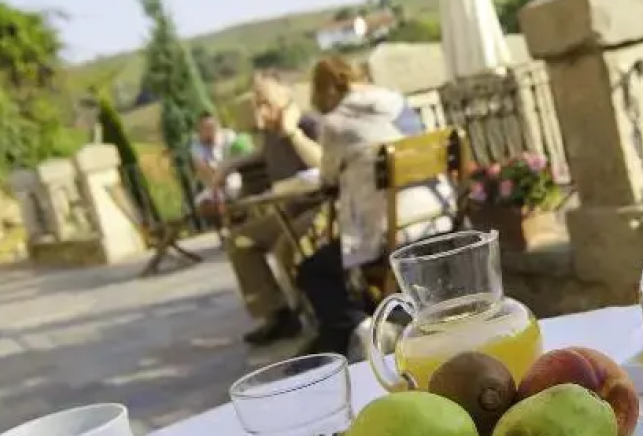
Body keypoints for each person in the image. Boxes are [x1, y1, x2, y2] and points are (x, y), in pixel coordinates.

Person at [294, 56, 452, 356]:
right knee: (336, 261)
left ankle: (362, 328)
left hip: (393, 231)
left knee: (313, 271)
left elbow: (327, 177)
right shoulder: (397, 102)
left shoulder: (335, 123)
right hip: (439, 215)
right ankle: (383, 318)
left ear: (323, 90)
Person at [227, 73, 323, 345]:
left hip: (319, 208)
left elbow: (324, 163)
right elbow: (261, 156)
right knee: (240, 241)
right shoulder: (270, 135)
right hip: (286, 210)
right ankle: (276, 314)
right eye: (257, 103)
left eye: (266, 102)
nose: (261, 109)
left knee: (286, 247)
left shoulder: (308, 124)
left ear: (287, 98)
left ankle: (317, 316)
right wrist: (229, 166)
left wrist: (294, 133)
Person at [187, 112, 243, 228]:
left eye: (212, 127)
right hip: (214, 184)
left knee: (228, 195)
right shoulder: (197, 144)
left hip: (234, 179)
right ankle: (225, 226)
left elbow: (234, 161)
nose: (209, 131)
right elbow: (202, 168)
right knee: (203, 204)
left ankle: (235, 222)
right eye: (205, 128)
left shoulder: (228, 137)